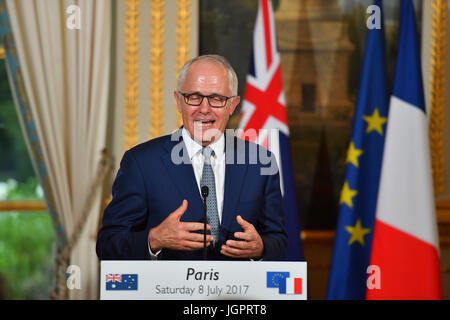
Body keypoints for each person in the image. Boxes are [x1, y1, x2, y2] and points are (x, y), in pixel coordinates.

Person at [96, 54, 287, 261]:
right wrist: (153, 240)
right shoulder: (141, 163)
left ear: (233, 105)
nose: (204, 109)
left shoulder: (260, 162)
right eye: (194, 97)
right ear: (179, 101)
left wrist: (261, 248)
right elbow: (107, 245)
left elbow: (279, 241)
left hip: (237, 293)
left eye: (216, 99)